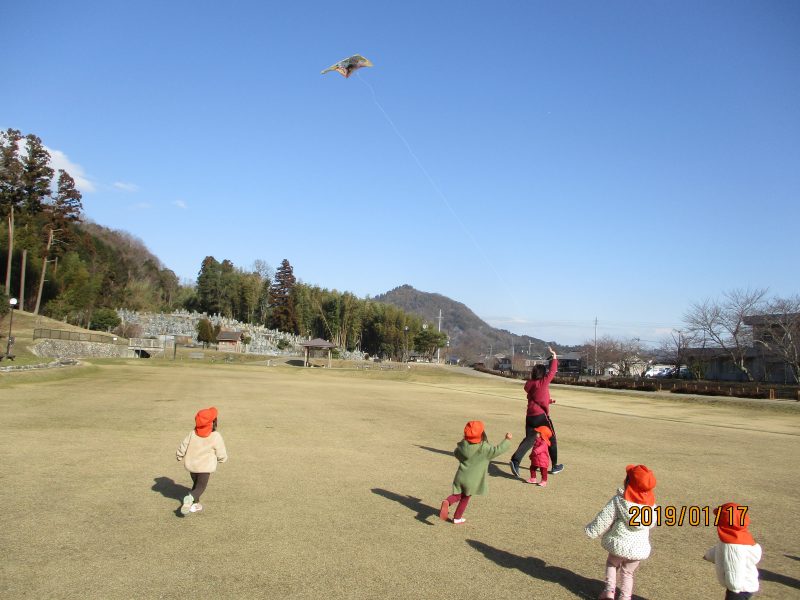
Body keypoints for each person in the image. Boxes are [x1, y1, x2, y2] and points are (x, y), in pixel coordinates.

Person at [585, 464, 657, 600]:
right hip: (638, 548)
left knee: (612, 564)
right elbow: (651, 523)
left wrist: (592, 530)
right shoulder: (651, 506)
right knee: (628, 573)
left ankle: (609, 591)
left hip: (619, 543)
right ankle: (625, 597)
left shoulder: (619, 500)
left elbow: (604, 517)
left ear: (628, 482)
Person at [439, 421, 512, 524]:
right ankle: (457, 517)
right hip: (472, 480)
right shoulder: (484, 449)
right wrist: (507, 440)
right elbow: (498, 450)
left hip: (460, 476)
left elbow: (456, 453)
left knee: (457, 495)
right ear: (482, 433)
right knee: (465, 498)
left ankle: (447, 501)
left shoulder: (462, 447)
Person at [510, 345, 563, 477]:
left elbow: (536, 397)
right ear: (542, 374)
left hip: (530, 416)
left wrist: (548, 401)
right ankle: (555, 466)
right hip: (541, 417)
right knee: (552, 439)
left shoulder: (530, 384)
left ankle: (515, 460)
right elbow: (552, 371)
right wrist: (554, 357)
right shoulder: (542, 383)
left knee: (529, 439)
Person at [703, 502, 762, 599]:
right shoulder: (736, 537)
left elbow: (734, 566)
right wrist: (709, 555)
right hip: (743, 586)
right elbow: (720, 549)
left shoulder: (733, 545)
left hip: (740, 588)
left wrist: (733, 588)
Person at [176, 407, 228, 515]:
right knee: (200, 487)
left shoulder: (192, 433)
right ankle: (189, 498)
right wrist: (222, 458)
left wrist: (179, 455)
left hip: (192, 467)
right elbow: (220, 450)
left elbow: (184, 445)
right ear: (213, 423)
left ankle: (195, 504)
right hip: (204, 468)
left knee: (196, 484)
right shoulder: (215, 436)